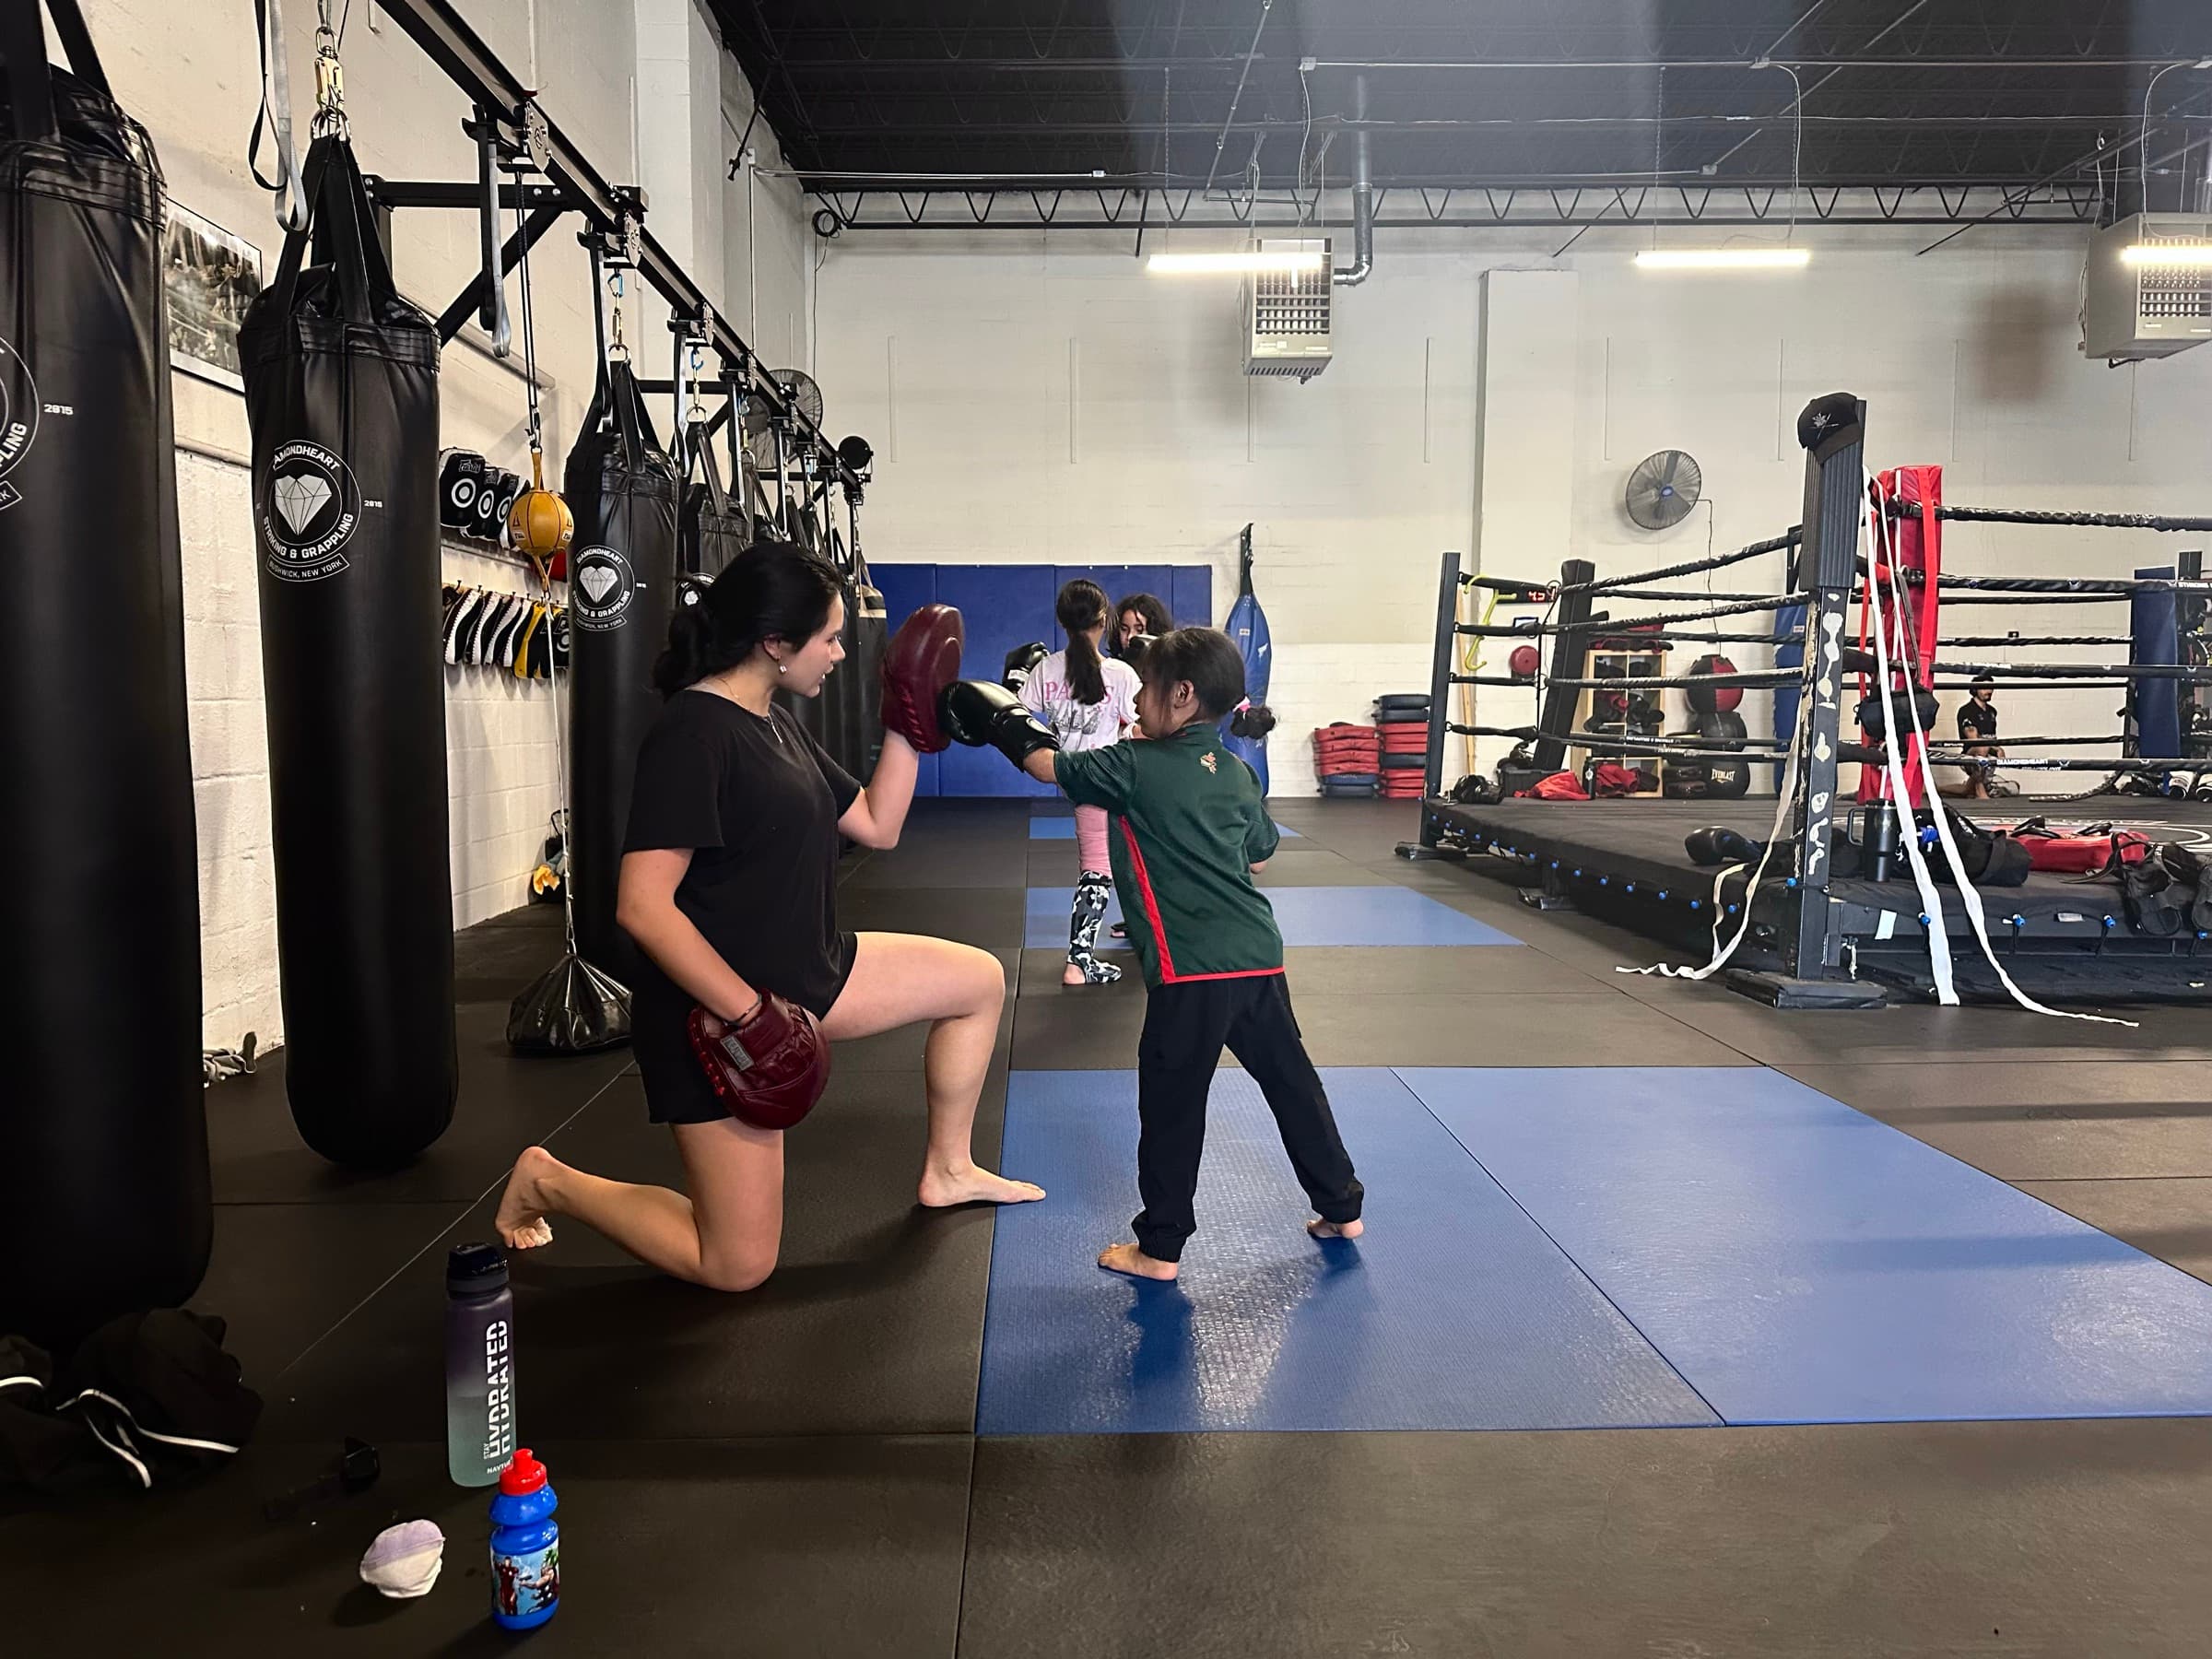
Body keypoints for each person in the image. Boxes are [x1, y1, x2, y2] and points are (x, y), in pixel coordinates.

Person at [494, 543, 1043, 1291]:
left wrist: (909, 721)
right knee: (735, 1264)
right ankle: (549, 1180)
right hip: (716, 1018)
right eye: (830, 638)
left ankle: (949, 1169)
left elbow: (878, 824)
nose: (840, 654)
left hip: (811, 971)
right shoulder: (694, 733)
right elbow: (642, 906)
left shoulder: (775, 721)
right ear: (776, 643)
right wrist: (748, 1013)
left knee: (978, 982)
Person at [941, 628, 1364, 1282]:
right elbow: (1259, 853)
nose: (1136, 701)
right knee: (1292, 1084)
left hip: (1189, 969)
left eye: (1146, 689)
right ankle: (1342, 1207)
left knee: (1171, 1108)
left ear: (1183, 694)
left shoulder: (1131, 766)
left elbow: (1048, 766)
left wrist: (1005, 712)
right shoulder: (1237, 771)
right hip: (1259, 957)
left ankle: (1160, 1249)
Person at [1013, 580, 1141, 986]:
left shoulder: (1045, 670)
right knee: (1104, 865)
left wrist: (1014, 684)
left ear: (1063, 622)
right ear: (1104, 620)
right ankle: (1079, 960)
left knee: (1125, 856)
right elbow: (1143, 726)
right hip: (1114, 774)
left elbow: (1017, 719)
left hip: (1073, 776)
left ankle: (1139, 928)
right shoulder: (1120, 673)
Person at [1957, 674, 2003, 799]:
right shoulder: (1966, 710)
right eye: (1985, 688)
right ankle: (1980, 788)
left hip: (1988, 754)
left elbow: (1992, 737)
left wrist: (1998, 749)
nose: (1989, 691)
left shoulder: (1992, 711)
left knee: (2013, 788)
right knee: (1982, 747)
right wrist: (1993, 747)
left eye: (1991, 688)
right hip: (1970, 756)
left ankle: (1936, 789)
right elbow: (1973, 739)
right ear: (1975, 689)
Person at [1112, 593, 1172, 659]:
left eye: (1139, 630)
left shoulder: (1168, 664)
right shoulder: (1111, 664)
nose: (1129, 637)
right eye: (1124, 629)